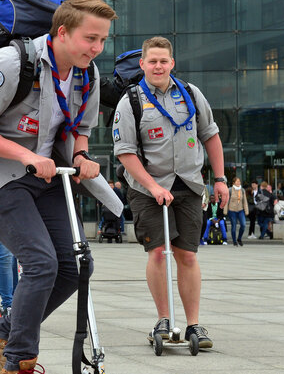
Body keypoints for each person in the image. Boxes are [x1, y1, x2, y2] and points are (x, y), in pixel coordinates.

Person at [0, 0, 119, 373]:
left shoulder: (88, 73)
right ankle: (19, 361)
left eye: (102, 40)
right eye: (90, 39)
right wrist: (25, 155)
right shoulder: (13, 63)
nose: (96, 48)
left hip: (48, 177)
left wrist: (80, 156)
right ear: (62, 32)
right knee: (40, 263)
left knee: (75, 266)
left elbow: (80, 127)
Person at [113, 36, 226, 353]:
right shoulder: (132, 101)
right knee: (159, 252)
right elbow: (124, 153)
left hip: (189, 185)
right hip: (147, 188)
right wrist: (153, 186)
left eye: (164, 61)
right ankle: (163, 319)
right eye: (153, 61)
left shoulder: (190, 94)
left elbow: (211, 136)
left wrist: (219, 179)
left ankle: (193, 323)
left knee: (187, 254)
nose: (158, 66)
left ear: (172, 63)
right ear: (143, 64)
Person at [223, 177, 248, 246]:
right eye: (237, 181)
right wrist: (225, 210)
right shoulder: (230, 190)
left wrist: (246, 211)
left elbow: (244, 201)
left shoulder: (242, 190)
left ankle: (239, 238)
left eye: (239, 181)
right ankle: (234, 241)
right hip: (232, 210)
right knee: (233, 226)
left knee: (243, 225)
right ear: (233, 183)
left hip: (240, 210)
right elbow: (226, 201)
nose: (238, 183)